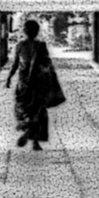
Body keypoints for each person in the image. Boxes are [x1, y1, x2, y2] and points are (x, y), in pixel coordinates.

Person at [4, 18, 61, 150]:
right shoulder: (41, 46)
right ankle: (35, 141)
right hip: (38, 83)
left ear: (24, 31)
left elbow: (15, 65)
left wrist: (9, 78)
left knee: (22, 108)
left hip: (23, 83)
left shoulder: (20, 46)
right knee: (38, 111)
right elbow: (47, 65)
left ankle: (26, 127)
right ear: (37, 32)